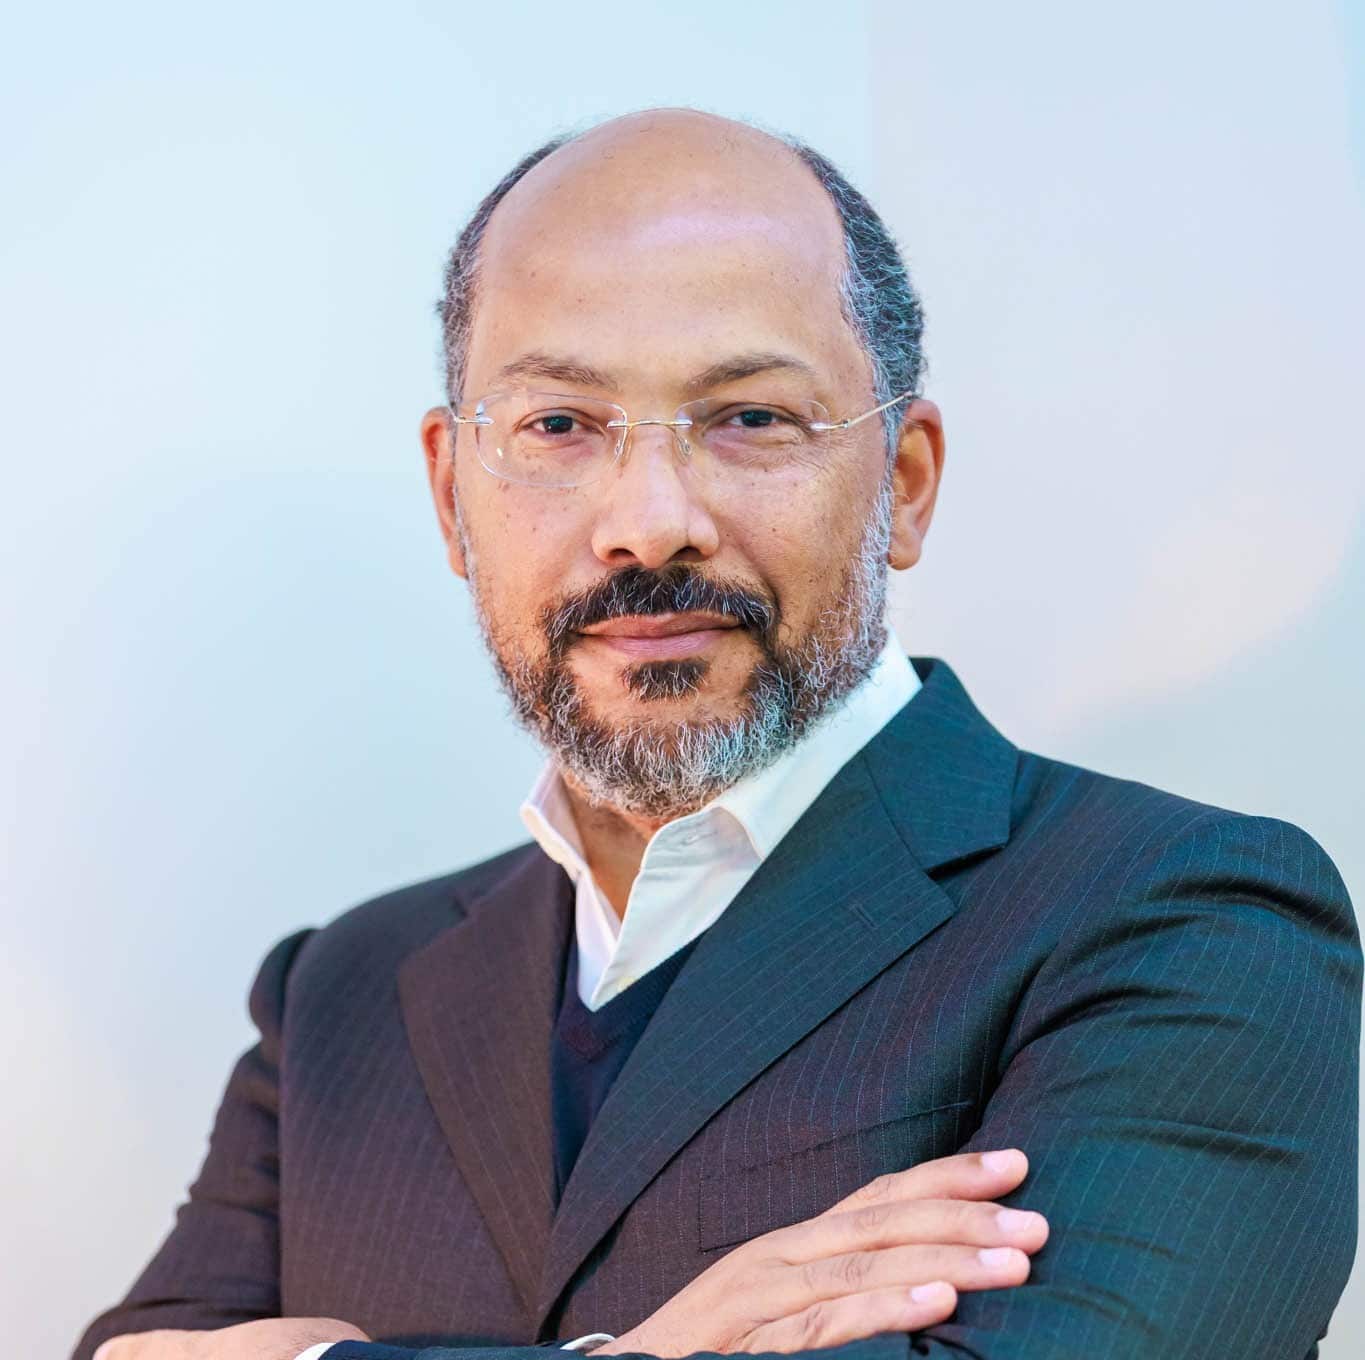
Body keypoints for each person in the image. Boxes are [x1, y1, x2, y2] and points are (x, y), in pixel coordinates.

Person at [73, 107, 1360, 1360]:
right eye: (558, 425)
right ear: (452, 494)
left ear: (904, 483)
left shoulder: (1185, 919)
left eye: (749, 419)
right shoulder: (341, 990)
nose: (648, 522)